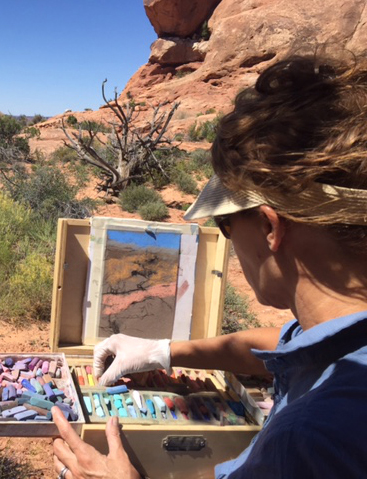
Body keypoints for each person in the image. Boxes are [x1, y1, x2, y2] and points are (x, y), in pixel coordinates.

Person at [52, 53, 367, 478]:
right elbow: (285, 343)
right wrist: (163, 351)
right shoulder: (342, 337)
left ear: (269, 227)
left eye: (225, 223)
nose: (227, 238)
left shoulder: (306, 440)